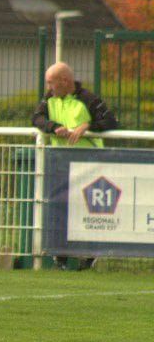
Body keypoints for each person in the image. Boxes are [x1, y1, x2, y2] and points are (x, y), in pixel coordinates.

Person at [31, 62, 119, 270]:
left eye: (51, 82)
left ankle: (88, 255)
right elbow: (36, 118)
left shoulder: (89, 99)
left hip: (89, 163)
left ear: (64, 81)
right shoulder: (49, 99)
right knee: (60, 209)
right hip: (61, 162)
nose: (49, 87)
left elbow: (111, 121)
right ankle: (60, 258)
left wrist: (88, 126)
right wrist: (54, 127)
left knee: (87, 210)